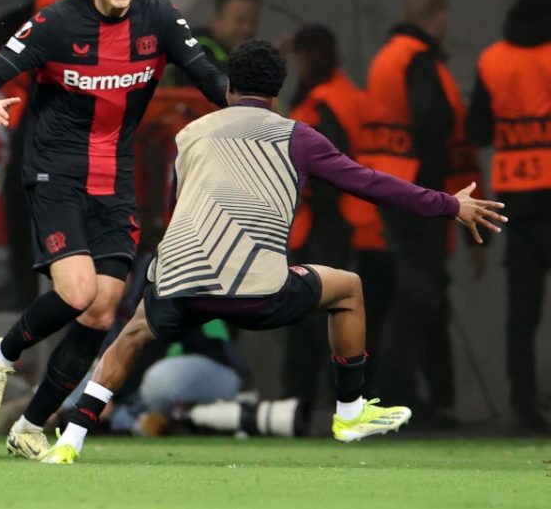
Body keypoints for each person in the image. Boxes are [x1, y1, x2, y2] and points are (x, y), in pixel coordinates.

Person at [42, 40, 507, 464]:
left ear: (228, 87)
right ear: (277, 92)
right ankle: (348, 413)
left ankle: (72, 438)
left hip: (180, 280)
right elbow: (371, 183)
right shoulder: (297, 137)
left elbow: (173, 210)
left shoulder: (191, 135)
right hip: (257, 292)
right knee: (349, 288)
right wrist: (450, 206)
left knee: (131, 334)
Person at [0, 0, 228, 461]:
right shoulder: (57, 22)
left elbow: (206, 74)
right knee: (79, 293)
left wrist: (249, 107)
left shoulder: (159, 17)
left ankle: (32, 426)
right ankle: (4, 350)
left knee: (102, 311)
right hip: (55, 173)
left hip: (116, 179)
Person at [360, 0, 481, 426]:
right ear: (439, 16)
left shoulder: (386, 59)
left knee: (414, 294)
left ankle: (403, 394)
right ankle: (397, 395)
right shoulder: (419, 61)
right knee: (418, 297)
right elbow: (433, 122)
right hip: (417, 194)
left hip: (389, 192)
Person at [281, 25, 391, 404]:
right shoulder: (341, 94)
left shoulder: (325, 100)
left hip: (328, 223)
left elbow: (330, 166)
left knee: (313, 309)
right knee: (328, 308)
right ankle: (334, 396)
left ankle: (324, 396)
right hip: (344, 220)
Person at [466, 0, 551, 434]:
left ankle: (523, 403)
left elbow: (477, 131)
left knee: (522, 312)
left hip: (516, 201)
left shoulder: (494, 59)